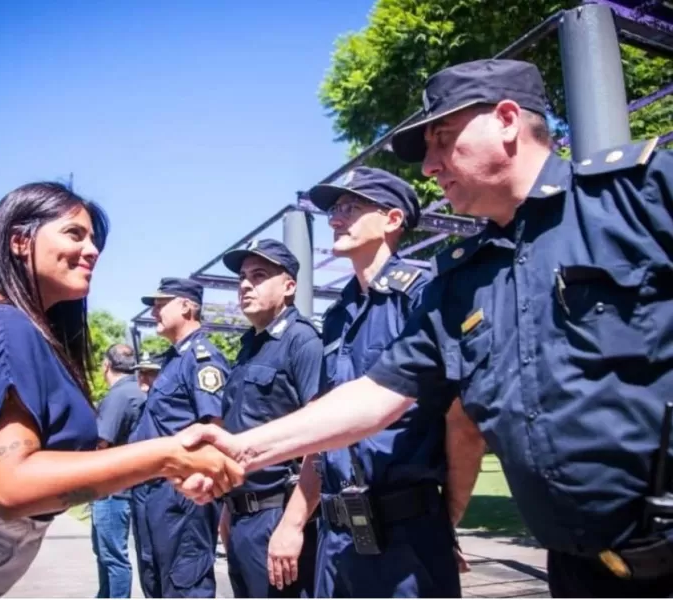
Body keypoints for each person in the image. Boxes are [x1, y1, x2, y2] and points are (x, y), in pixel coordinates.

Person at [177, 59, 673, 597]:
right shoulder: (460, 281)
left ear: (507, 120)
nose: (430, 166)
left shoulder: (637, 197)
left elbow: (459, 429)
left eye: (443, 141)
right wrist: (239, 449)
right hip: (584, 567)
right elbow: (373, 396)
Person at [0, 182, 242, 598]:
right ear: (18, 240)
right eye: (74, 233)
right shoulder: (2, 327)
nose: (93, 250)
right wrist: (167, 455)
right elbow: (12, 486)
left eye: (93, 239)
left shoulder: (17, 326)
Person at [264, 168, 483, 598]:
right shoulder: (336, 317)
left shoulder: (423, 297)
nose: (335, 218)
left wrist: (445, 520)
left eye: (350, 207)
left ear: (392, 219)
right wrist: (292, 523)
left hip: (408, 534)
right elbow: (325, 430)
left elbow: (462, 421)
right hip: (338, 539)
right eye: (333, 210)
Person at [219, 238, 322, 598]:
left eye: (259, 275)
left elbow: (325, 438)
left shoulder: (302, 341)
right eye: (242, 277)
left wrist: (293, 525)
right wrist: (229, 511)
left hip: (278, 516)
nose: (246, 284)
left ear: (289, 286)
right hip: (243, 516)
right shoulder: (250, 346)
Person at [128, 277, 231, 598]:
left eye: (162, 304)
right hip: (152, 491)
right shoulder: (172, 359)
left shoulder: (203, 358)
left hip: (182, 496)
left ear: (187, 306)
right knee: (155, 580)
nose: (155, 311)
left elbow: (214, 426)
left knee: (184, 584)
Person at [91, 343, 147, 598]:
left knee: (112, 557)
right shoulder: (139, 390)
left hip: (112, 490)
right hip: (129, 487)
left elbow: (101, 443)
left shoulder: (118, 396)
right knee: (110, 555)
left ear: (106, 366)